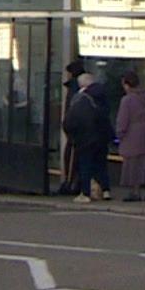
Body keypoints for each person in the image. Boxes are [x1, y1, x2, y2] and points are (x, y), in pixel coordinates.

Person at [64, 72, 113, 203]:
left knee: (85, 164)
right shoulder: (103, 95)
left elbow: (72, 119)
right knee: (101, 164)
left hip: (85, 136)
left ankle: (85, 193)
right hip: (102, 136)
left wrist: (71, 134)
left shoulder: (80, 98)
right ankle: (105, 190)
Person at [114, 71, 145, 202]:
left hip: (134, 135)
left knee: (134, 164)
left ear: (126, 85)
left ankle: (135, 192)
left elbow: (122, 120)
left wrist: (119, 134)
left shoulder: (127, 100)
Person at [58, 60, 86, 195]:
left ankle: (70, 183)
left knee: (71, 157)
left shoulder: (74, 88)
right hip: (80, 129)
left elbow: (71, 109)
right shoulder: (81, 88)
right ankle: (75, 183)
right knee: (77, 157)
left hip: (74, 129)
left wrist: (68, 126)